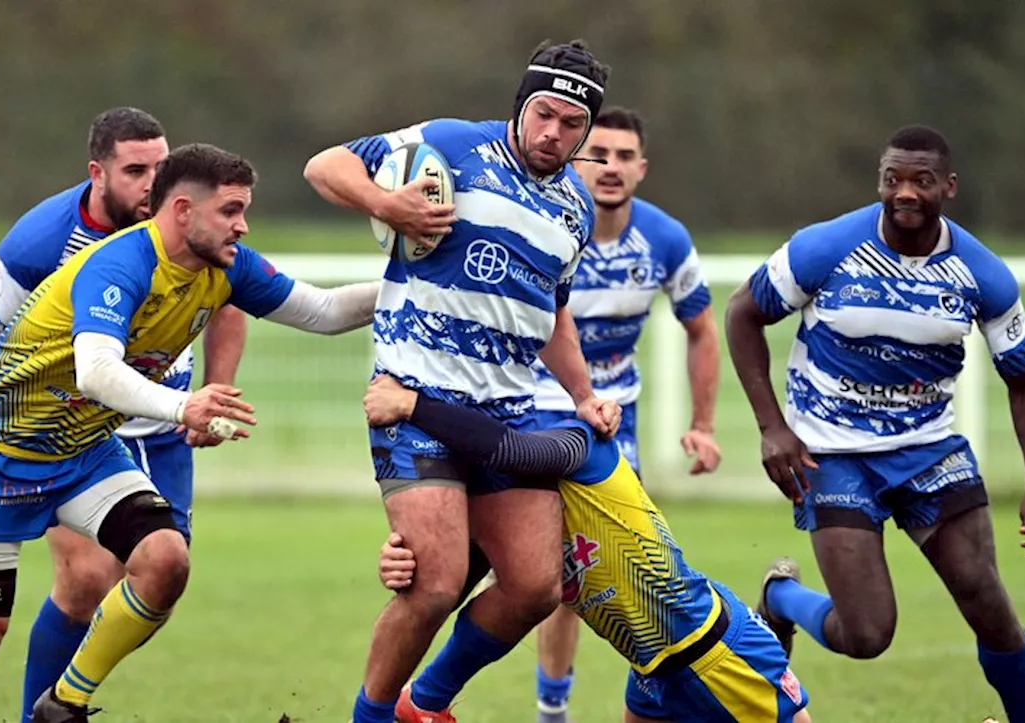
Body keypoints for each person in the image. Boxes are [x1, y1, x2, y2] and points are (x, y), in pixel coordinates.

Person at [0, 143, 380, 723]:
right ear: (183, 210)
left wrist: (420, 287)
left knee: (165, 561)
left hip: (82, 452)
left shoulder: (226, 265)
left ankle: (65, 704)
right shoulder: (119, 263)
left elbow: (326, 311)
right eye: (231, 210)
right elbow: (97, 372)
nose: (243, 224)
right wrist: (187, 407)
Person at [303, 39, 622, 723]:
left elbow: (553, 309)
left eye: (572, 125)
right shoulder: (450, 146)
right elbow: (323, 166)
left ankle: (425, 703)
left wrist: (584, 392)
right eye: (544, 115)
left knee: (538, 586)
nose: (553, 134)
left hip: (506, 414)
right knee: (435, 584)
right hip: (411, 400)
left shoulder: (574, 208)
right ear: (521, 106)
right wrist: (389, 206)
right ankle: (372, 716)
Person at [723, 125, 1025, 723]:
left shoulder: (982, 274)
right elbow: (742, 314)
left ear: (948, 188)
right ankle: (779, 599)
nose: (904, 192)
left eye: (921, 181)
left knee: (991, 608)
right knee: (869, 635)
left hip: (930, 450)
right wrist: (772, 426)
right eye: (891, 178)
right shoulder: (823, 249)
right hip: (833, 455)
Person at [0, 106, 249, 722]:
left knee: (161, 575)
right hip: (64, 439)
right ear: (97, 173)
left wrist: (216, 394)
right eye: (136, 171)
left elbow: (232, 299)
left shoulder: (193, 225)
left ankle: (59, 704)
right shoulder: (46, 237)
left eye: (161, 169)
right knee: (84, 581)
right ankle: (48, 713)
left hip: (161, 431)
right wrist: (15, 428)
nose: (153, 185)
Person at [365, 375, 810, 723]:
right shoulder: (510, 508)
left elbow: (513, 450)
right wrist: (409, 566)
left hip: (712, 648)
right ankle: (423, 702)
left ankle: (782, 602)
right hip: (650, 672)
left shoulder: (576, 442)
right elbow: (458, 572)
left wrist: (413, 406)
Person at [529, 105, 722, 723]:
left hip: (615, 425)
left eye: (623, 157)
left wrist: (705, 424)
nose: (609, 168)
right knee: (547, 581)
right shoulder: (537, 225)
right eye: (598, 154)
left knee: (632, 577)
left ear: (642, 168)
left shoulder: (665, 240)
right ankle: (551, 711)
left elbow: (702, 330)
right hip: (527, 414)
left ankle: (651, 699)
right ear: (576, 160)